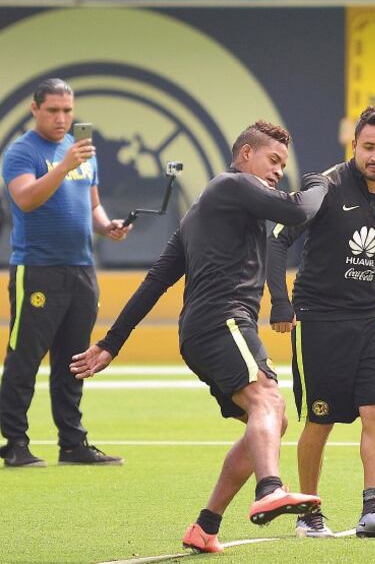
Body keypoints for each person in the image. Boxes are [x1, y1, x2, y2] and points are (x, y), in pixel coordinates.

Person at [69, 121, 330, 554]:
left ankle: (205, 526)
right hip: (221, 321)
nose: (278, 171)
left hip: (207, 329)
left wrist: (111, 343)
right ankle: (269, 488)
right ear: (245, 154)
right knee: (268, 401)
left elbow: (156, 280)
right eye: (273, 160)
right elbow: (300, 209)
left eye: (283, 165)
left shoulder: (202, 211)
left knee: (271, 419)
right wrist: (322, 183)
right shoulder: (231, 185)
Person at [267, 105, 375, 539]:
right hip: (318, 321)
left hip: (368, 321)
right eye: (368, 147)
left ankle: (373, 511)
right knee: (321, 419)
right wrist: (280, 302)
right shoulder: (324, 186)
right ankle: (309, 515)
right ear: (354, 146)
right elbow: (279, 240)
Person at [0, 78, 132, 468]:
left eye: (67, 111)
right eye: (53, 110)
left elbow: (92, 206)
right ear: (35, 110)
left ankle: (72, 444)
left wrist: (108, 226)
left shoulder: (83, 152)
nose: (61, 118)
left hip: (81, 269)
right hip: (38, 269)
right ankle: (14, 443)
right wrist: (64, 165)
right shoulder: (21, 151)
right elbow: (25, 200)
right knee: (24, 357)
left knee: (74, 360)